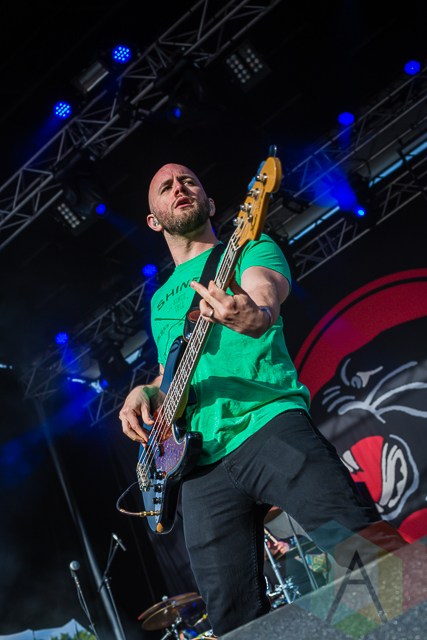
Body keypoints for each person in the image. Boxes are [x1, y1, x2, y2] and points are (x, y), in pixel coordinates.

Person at [119, 163, 404, 637]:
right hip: (198, 466)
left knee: (360, 547)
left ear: (210, 203)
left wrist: (255, 313)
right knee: (231, 618)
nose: (178, 188)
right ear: (154, 219)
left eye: (188, 181)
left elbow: (263, 294)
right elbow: (174, 371)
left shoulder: (250, 246)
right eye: (165, 187)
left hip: (268, 424)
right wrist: (147, 390)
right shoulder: (161, 299)